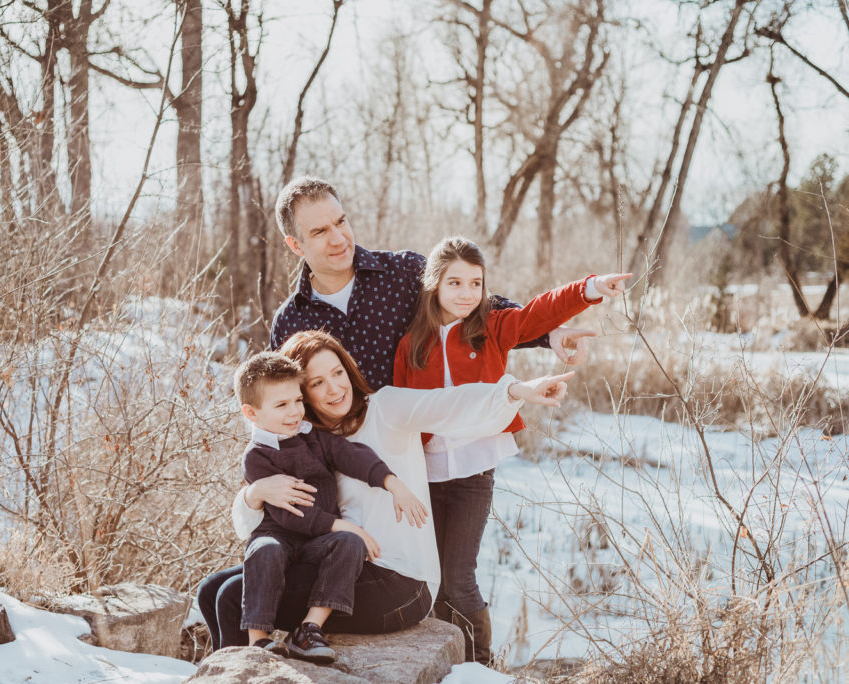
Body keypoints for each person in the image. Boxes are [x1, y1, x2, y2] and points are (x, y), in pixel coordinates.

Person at [197, 330, 575, 651]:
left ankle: (247, 672)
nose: (334, 388)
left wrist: (517, 391)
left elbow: (449, 403)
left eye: (337, 372)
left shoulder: (386, 408)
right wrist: (255, 492)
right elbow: (259, 529)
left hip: (399, 580)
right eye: (316, 383)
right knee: (211, 588)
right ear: (302, 393)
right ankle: (232, 671)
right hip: (342, 564)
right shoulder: (306, 440)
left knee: (232, 595)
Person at [392, 236, 632, 663]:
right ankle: (447, 661)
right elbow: (404, 408)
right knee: (432, 578)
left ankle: (480, 664)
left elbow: (540, 311)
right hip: (424, 474)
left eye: (475, 284)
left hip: (473, 474)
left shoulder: (492, 327)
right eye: (455, 283)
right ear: (434, 286)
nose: (467, 294)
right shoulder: (412, 343)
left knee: (460, 577)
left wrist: (590, 288)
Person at [269, 176, 598, 392]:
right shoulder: (289, 322)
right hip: (345, 469)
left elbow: (475, 305)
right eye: (319, 232)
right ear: (295, 245)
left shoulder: (402, 272)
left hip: (431, 448)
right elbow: (284, 404)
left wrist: (549, 333)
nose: (339, 238)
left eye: (341, 221)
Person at [233, 351, 427, 662]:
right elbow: (291, 513)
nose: (295, 412)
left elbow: (353, 455)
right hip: (281, 535)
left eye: (297, 401)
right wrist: (343, 524)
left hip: (317, 542)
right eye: (281, 405)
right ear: (251, 413)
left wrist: (391, 482)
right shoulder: (257, 456)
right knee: (263, 551)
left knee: (350, 543)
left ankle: (309, 629)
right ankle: (259, 640)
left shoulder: (313, 437)